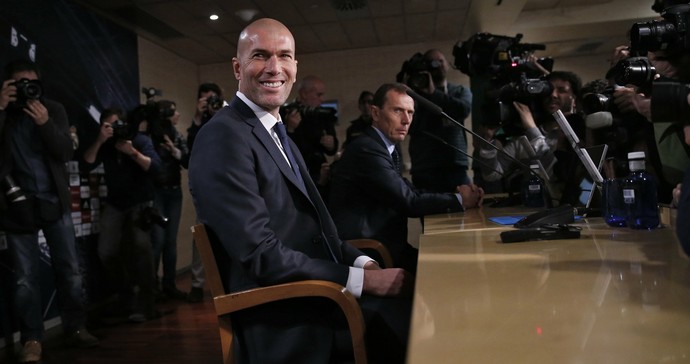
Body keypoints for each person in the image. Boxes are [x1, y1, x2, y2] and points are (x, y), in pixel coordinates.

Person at [189, 18, 414, 364]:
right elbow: (262, 256)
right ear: (237, 67)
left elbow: (319, 235)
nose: (274, 68)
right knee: (417, 329)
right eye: (260, 56)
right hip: (285, 318)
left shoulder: (277, 132)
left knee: (422, 308)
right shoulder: (223, 136)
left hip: (319, 296)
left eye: (284, 56)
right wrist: (364, 282)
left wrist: (365, 265)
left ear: (295, 66)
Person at [0, 59, 98, 363]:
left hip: (54, 202)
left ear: (39, 83)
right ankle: (31, 339)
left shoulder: (52, 109)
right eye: (18, 84)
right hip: (15, 205)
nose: (26, 90)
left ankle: (75, 328)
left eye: (31, 83)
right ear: (9, 86)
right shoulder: (4, 113)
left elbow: (65, 152)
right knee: (26, 279)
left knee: (69, 271)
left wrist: (44, 123)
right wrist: (1, 109)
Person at [329, 83, 484, 274]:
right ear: (375, 113)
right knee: (451, 269)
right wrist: (460, 200)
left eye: (410, 113)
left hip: (389, 246)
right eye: (398, 111)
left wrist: (454, 195)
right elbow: (409, 202)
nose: (406, 120)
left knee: (453, 260)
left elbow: (410, 190)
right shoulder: (367, 149)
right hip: (370, 254)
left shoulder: (384, 146)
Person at [82, 105, 163, 323]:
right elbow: (87, 164)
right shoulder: (106, 144)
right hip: (115, 203)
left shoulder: (139, 140)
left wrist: (133, 153)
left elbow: (156, 168)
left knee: (141, 250)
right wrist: (100, 140)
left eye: (116, 124)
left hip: (140, 203)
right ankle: (127, 295)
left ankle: (147, 304)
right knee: (106, 251)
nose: (113, 129)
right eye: (107, 125)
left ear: (125, 123)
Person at [407, 49, 473, 192]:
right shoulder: (414, 96)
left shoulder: (459, 91)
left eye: (441, 61)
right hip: (425, 167)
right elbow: (410, 126)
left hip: (455, 163)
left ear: (448, 65)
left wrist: (433, 94)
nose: (438, 66)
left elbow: (463, 109)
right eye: (432, 63)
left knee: (464, 207)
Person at [186, 82, 223, 303]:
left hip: (227, 184)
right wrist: (198, 118)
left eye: (213, 99)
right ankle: (197, 285)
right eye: (205, 99)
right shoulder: (198, 123)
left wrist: (219, 113)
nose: (210, 104)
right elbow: (191, 150)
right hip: (205, 186)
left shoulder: (228, 115)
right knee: (201, 236)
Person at [150, 100, 189, 300]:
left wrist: (173, 149)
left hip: (174, 192)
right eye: (173, 111)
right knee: (157, 240)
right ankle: (152, 288)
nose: (178, 114)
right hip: (157, 192)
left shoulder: (175, 134)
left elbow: (186, 159)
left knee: (170, 242)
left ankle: (169, 285)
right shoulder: (151, 135)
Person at [282, 75, 339, 184]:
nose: (322, 99)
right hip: (296, 171)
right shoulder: (285, 113)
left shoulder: (322, 114)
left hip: (320, 170)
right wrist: (290, 129)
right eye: (318, 95)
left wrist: (331, 144)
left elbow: (332, 149)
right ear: (304, 94)